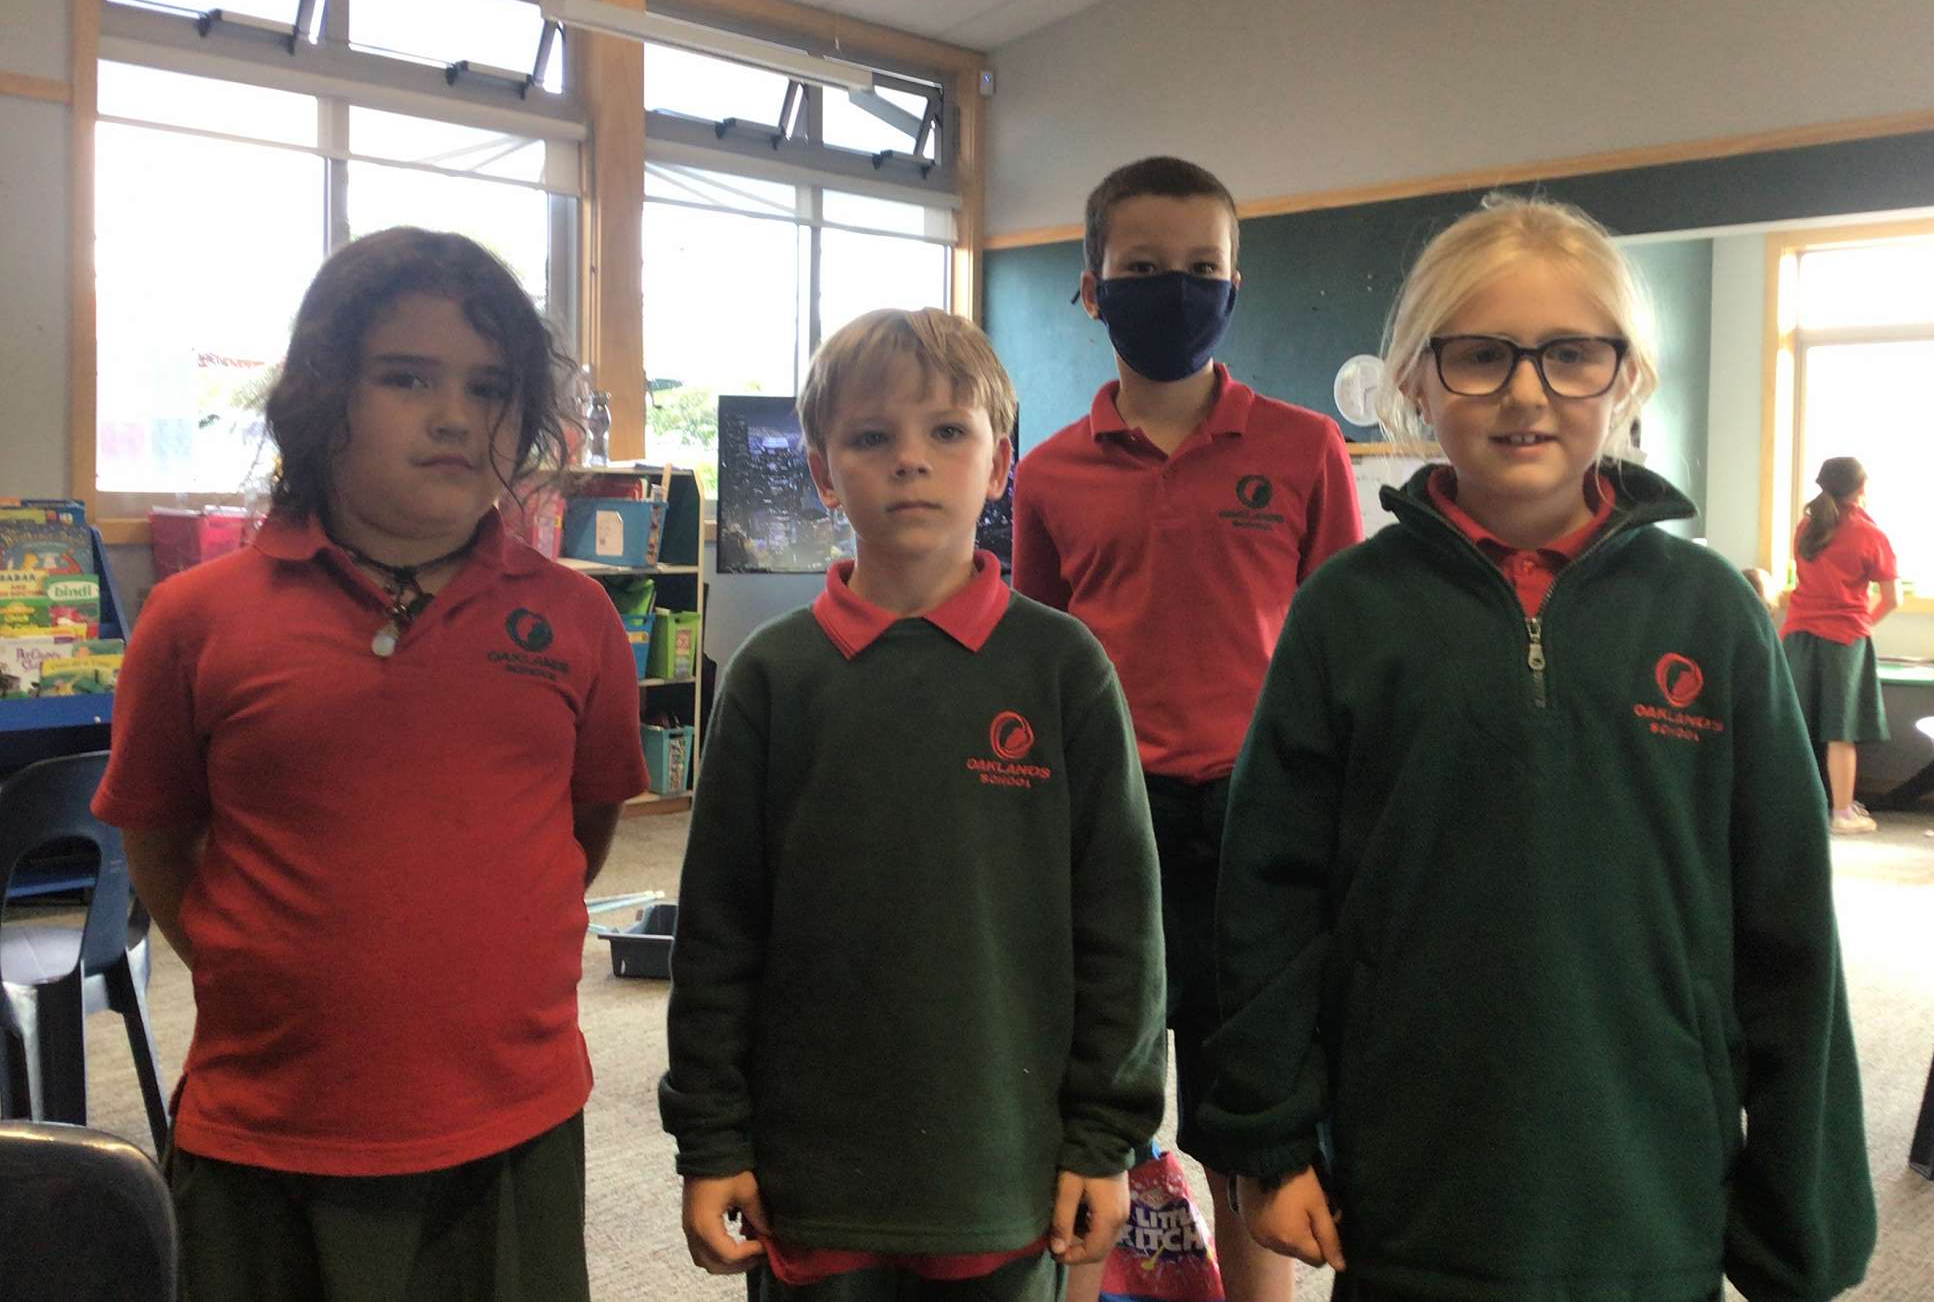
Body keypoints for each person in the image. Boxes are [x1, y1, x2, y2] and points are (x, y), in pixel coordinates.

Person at [1202, 196, 1876, 1301]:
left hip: (1650, 1180)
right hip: (1412, 1184)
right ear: (1415, 381)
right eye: (1479, 356)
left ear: (1625, 377)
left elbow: (1788, 920)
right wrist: (1269, 1141)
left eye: (1569, 355)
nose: (1525, 393)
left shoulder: (1710, 613)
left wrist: (1801, 1204)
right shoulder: (1344, 614)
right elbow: (1267, 901)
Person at [94, 228, 648, 1300]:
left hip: (510, 1121)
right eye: (407, 377)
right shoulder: (195, 618)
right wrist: (265, 964)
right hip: (269, 1126)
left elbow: (580, 835)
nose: (455, 416)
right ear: (323, 395)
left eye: (489, 388)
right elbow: (159, 841)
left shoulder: (577, 617)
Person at [662, 307, 1166, 1302]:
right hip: (811, 1181)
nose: (908, 459)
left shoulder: (1062, 667)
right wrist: (710, 1137)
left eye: (945, 430)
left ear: (1000, 463)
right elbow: (717, 930)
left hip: (1002, 1171)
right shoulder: (771, 676)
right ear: (822, 473)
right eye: (870, 436)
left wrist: (1105, 1136)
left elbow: (1120, 927)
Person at [1011, 155, 1362, 1302]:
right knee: (1086, 1121)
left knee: (1250, 1124)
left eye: (1201, 266)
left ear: (1234, 284)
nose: (1175, 286)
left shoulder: (1304, 448)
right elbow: (1040, 662)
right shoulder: (1046, 475)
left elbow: (1343, 656)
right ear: (1091, 290)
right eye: (1142, 266)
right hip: (1107, 828)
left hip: (1258, 829)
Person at [1780, 456, 1900, 834]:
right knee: (1840, 730)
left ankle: (1791, 807)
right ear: (1861, 488)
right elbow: (1893, 598)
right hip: (1844, 641)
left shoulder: (1806, 528)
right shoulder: (1870, 535)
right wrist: (1864, 622)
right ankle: (1843, 814)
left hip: (1798, 636)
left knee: (1796, 725)